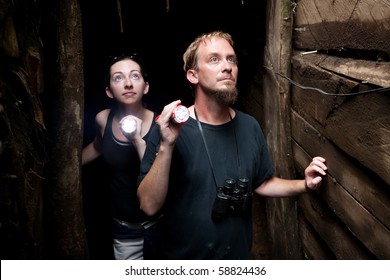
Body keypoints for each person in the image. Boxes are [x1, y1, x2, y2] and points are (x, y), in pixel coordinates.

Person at [137, 31, 328, 260]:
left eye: (232, 59)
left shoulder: (250, 127)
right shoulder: (169, 128)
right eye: (214, 59)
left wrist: (304, 185)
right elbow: (148, 206)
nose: (227, 66)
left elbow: (262, 183)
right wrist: (167, 146)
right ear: (193, 75)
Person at [82, 53, 159, 260]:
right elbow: (98, 147)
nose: (127, 83)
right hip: (125, 229)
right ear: (109, 91)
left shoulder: (162, 125)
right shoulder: (103, 119)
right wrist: (57, 168)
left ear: (146, 86)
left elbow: (157, 175)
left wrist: (136, 140)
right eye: (118, 78)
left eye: (135, 76)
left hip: (162, 226)